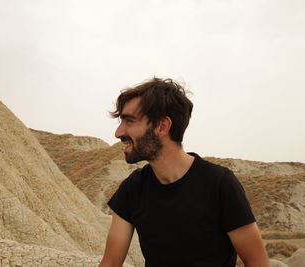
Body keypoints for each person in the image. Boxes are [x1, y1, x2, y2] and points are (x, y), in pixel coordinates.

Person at [99, 78, 270, 267]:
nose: (118, 132)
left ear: (162, 126)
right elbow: (110, 263)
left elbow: (258, 263)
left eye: (129, 121)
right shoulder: (133, 188)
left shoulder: (219, 183)